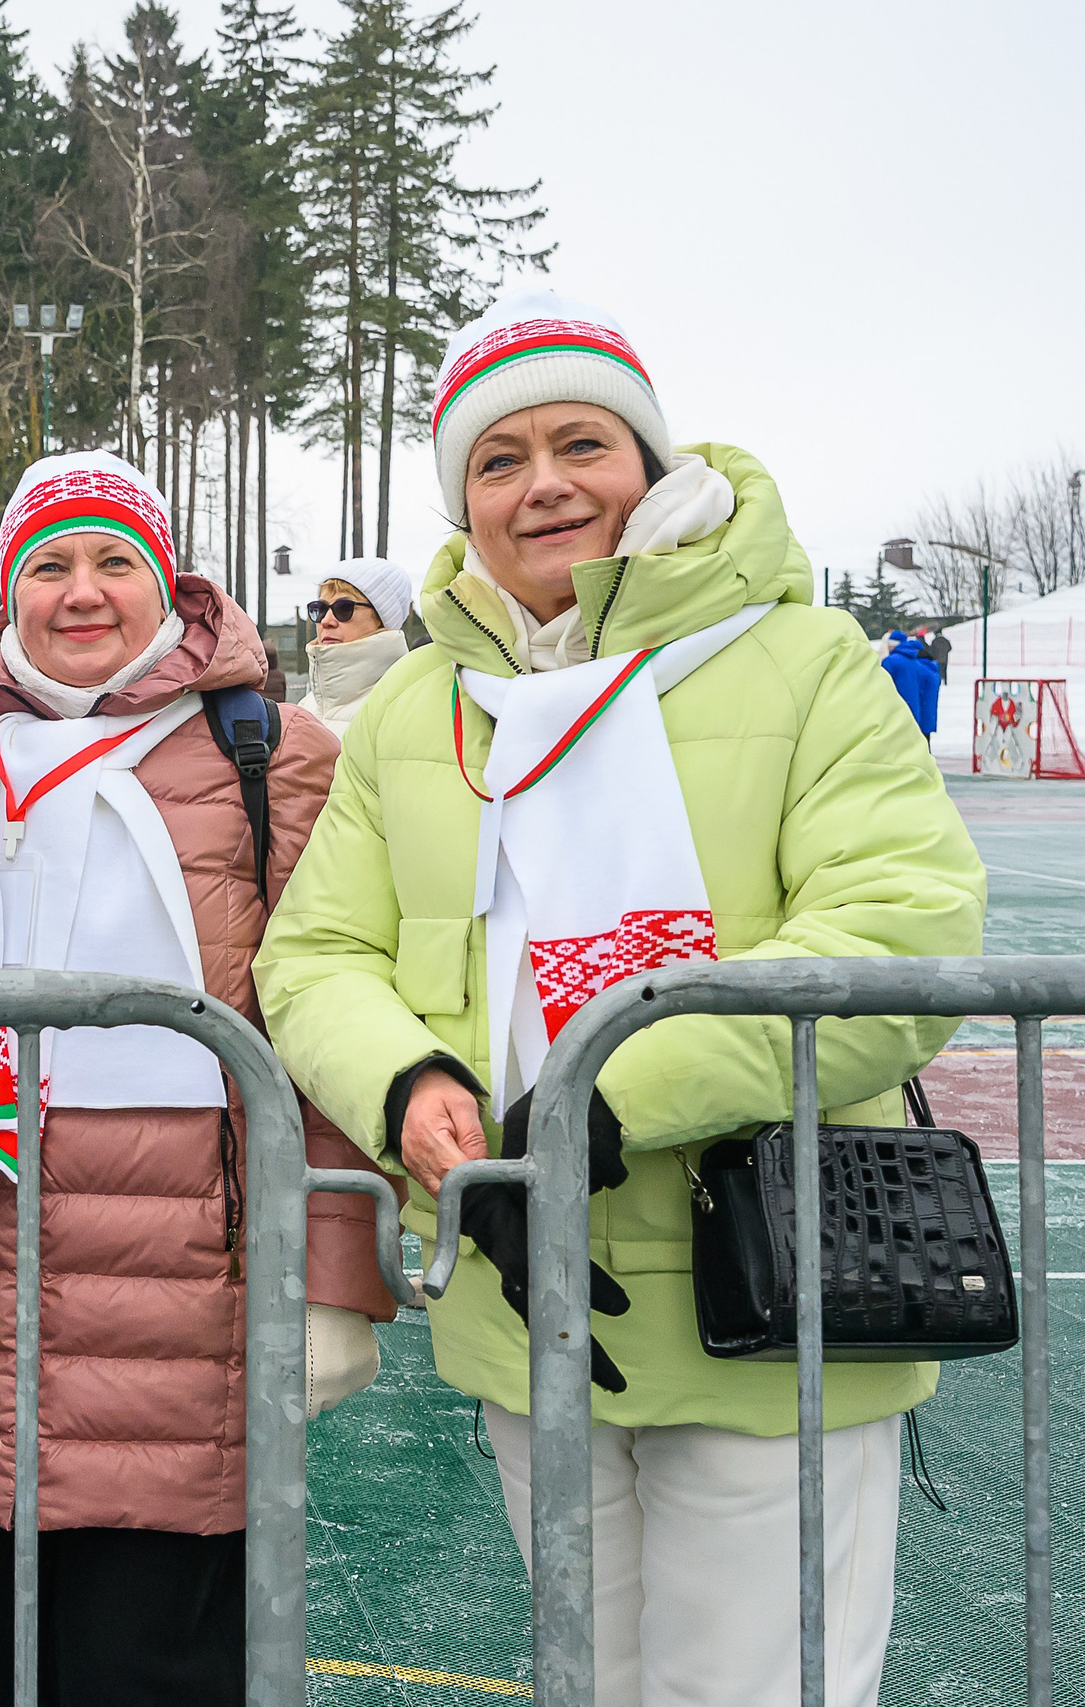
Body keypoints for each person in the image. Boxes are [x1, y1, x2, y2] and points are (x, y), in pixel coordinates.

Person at [255, 286, 987, 1707]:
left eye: (580, 442)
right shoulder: (420, 705)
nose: (543, 485)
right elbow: (315, 953)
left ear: (648, 459)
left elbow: (900, 930)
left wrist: (596, 1094)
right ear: (464, 499)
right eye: (498, 458)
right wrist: (413, 1091)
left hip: (772, 1294)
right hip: (530, 1300)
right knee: (586, 1680)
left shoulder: (805, 659)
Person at [0, 453, 395, 1705]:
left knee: (153, 1669)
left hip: (185, 1304)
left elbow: (324, 1023)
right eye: (46, 565)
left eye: (113, 560)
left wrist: (335, 1279)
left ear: (166, 581)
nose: (80, 591)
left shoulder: (272, 755)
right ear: (6, 594)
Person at [295, 555, 416, 733]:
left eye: (344, 608)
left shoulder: (404, 707)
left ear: (382, 621)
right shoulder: (306, 706)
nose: (327, 621)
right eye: (319, 609)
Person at [882, 628, 943, 739]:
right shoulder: (923, 666)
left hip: (898, 712)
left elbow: (882, 686)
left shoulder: (891, 661)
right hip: (918, 714)